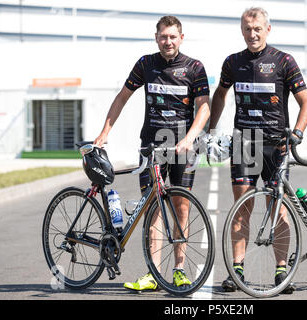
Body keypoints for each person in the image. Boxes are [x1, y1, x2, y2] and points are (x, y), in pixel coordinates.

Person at [94, 15, 210, 292]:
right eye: (163, 36)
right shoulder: (146, 64)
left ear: (182, 38)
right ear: (156, 37)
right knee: (152, 209)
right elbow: (122, 97)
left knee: (182, 208)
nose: (167, 41)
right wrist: (105, 132)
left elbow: (204, 107)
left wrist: (189, 138)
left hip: (182, 147)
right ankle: (153, 273)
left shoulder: (194, 67)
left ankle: (179, 270)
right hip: (151, 146)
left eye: (172, 36)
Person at [208, 7, 307, 293]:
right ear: (241, 30)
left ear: (268, 29)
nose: (252, 34)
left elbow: (306, 102)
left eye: (257, 28)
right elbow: (220, 93)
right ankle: (237, 270)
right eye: (246, 28)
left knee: (278, 210)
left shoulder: (284, 61)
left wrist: (298, 133)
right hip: (245, 145)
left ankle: (282, 271)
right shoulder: (232, 62)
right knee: (241, 209)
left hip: (277, 146)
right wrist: (212, 130)